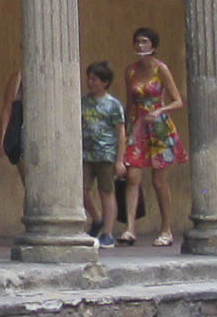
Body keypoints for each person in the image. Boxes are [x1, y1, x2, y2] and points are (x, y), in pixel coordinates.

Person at [118, 25, 188, 249]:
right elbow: (129, 102)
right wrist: (126, 129)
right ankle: (130, 228)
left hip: (159, 127)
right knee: (132, 176)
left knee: (159, 181)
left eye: (145, 42)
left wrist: (160, 110)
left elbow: (178, 100)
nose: (140, 45)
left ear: (153, 46)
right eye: (138, 42)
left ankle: (166, 228)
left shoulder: (161, 69)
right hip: (138, 126)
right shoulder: (130, 71)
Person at [80, 60, 125, 246]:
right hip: (85, 153)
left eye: (95, 79)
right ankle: (96, 217)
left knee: (106, 192)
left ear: (105, 82)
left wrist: (120, 160)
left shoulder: (113, 105)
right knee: (81, 190)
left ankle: (107, 232)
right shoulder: (83, 102)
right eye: (89, 79)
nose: (91, 83)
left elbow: (120, 132)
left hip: (105, 153)